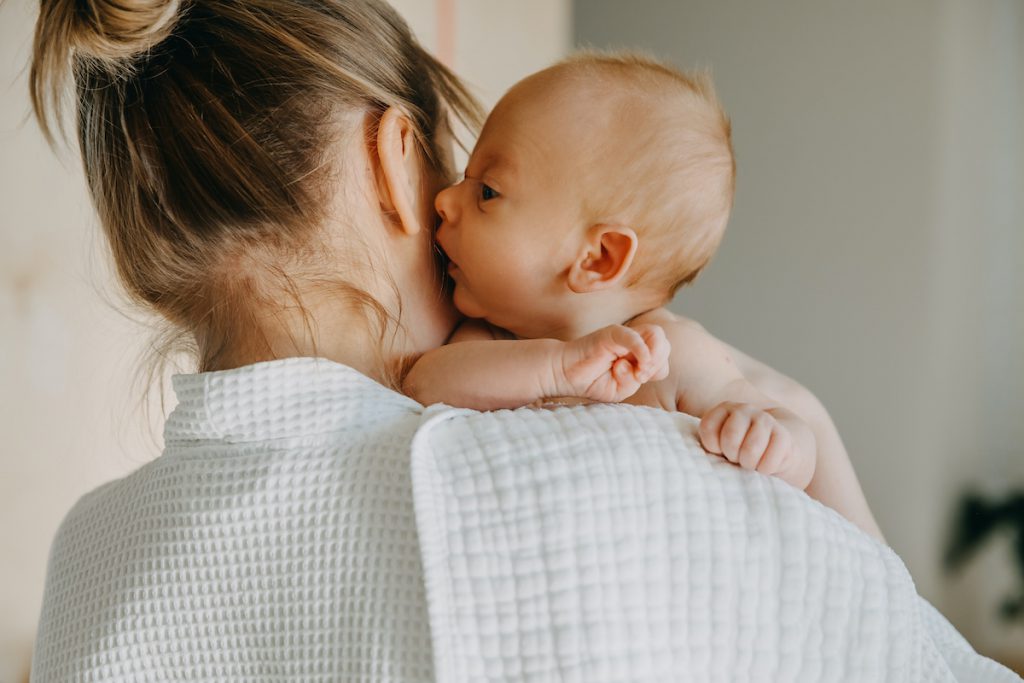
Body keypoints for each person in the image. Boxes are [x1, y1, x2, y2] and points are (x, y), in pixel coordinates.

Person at [28, 0, 882, 680]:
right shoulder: (625, 472)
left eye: (486, 188)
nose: (451, 204)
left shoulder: (85, 560)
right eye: (457, 168)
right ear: (397, 161)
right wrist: (807, 419)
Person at [403, 53, 882, 539]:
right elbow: (427, 382)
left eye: (486, 192)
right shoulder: (493, 336)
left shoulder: (668, 354)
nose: (445, 200)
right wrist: (558, 367)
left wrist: (773, 441)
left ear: (598, 259)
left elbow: (791, 431)